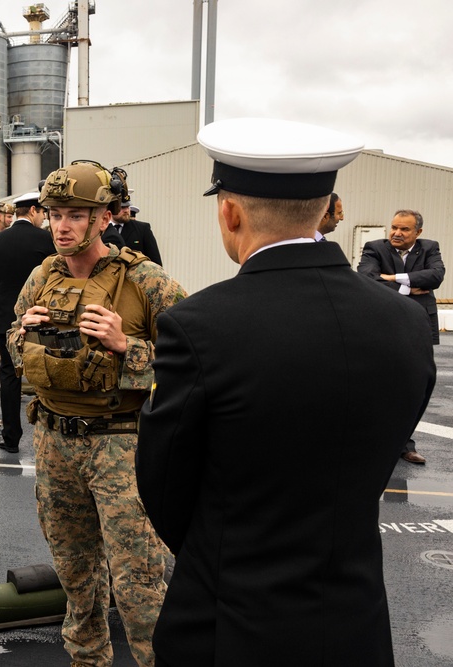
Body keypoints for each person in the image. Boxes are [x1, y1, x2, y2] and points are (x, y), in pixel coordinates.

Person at [136, 118, 437, 666]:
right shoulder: (406, 322)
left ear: (229, 212)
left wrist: (220, 556)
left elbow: (163, 481)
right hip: (354, 618)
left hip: (232, 619)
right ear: (325, 209)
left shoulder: (198, 326)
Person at [7, 161, 186, 667]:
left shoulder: (146, 279)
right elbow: (12, 346)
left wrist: (123, 345)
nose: (61, 225)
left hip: (120, 446)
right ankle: (88, 661)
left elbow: (193, 361)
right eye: (54, 214)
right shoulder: (42, 275)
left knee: (139, 580)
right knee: (75, 573)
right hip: (54, 443)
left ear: (104, 217)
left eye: (76, 215)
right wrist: (24, 336)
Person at [357, 209, 444, 464]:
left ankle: (405, 445)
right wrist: (410, 286)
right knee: (377, 383)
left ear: (418, 232)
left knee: (414, 386)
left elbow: (436, 276)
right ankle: (373, 440)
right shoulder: (375, 247)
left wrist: (394, 278)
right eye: (394, 227)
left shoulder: (429, 248)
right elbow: (367, 278)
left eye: (404, 229)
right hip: (384, 322)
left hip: (420, 324)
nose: (396, 233)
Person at [0, 191, 54, 453]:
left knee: (9, 379)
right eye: (43, 213)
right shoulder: (47, 239)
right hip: (41, 319)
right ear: (35, 211)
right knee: (47, 376)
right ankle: (47, 440)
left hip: (5, 319)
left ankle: (11, 438)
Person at [105, 198, 163, 265]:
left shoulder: (142, 229)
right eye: (122, 207)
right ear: (111, 209)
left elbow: (155, 262)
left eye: (128, 207)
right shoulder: (101, 228)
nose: (126, 210)